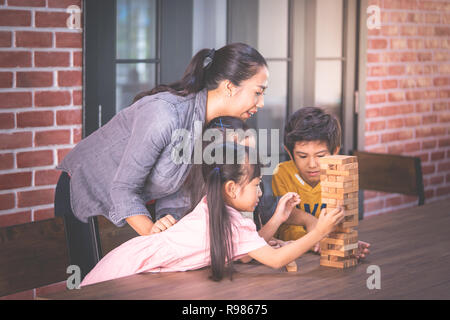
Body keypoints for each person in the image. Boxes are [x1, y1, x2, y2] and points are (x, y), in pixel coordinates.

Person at [54, 43, 269, 278]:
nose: (261, 103)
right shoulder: (164, 114)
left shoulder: (210, 129)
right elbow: (123, 189)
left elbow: (177, 196)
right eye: (258, 92)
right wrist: (156, 234)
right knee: (88, 286)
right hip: (87, 191)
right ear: (229, 87)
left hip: (135, 204)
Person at [80, 143, 344, 286]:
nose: (261, 192)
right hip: (124, 271)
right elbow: (274, 260)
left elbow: (242, 249)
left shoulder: (213, 206)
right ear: (232, 188)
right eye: (256, 185)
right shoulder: (227, 219)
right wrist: (319, 231)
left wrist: (278, 218)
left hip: (129, 262)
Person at [271, 107, 370, 258]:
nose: (312, 164)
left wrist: (345, 243)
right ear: (289, 152)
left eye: (321, 156)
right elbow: (282, 213)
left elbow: (341, 223)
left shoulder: (340, 175)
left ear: (335, 151)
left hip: (325, 253)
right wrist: (312, 227)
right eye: (303, 156)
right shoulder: (282, 174)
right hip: (290, 254)